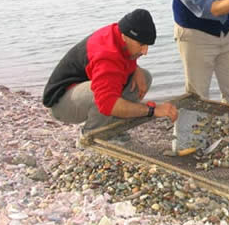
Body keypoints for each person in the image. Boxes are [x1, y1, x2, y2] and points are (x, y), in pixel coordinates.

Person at [42, 9, 178, 136]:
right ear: (125, 36)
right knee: (101, 97)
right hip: (61, 103)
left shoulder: (118, 33)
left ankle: (113, 126)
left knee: (145, 77)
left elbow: (123, 55)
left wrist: (135, 67)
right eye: (142, 45)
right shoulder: (106, 55)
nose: (145, 51)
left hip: (81, 88)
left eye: (148, 45)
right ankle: (92, 135)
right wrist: (152, 110)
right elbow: (107, 103)